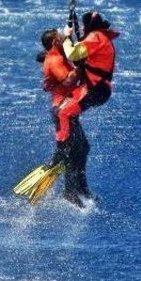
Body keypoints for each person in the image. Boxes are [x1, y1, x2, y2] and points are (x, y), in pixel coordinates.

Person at [37, 29, 92, 207]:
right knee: (72, 151)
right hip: (62, 110)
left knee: (82, 147)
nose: (63, 38)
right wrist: (82, 66)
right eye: (60, 37)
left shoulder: (59, 55)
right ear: (54, 42)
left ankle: (82, 188)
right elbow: (68, 81)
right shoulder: (55, 60)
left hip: (67, 108)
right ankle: (70, 192)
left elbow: (72, 48)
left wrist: (73, 33)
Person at [55, 10, 119, 146]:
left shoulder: (96, 37)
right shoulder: (100, 37)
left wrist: (66, 37)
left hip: (95, 89)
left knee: (63, 113)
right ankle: (79, 146)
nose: (83, 28)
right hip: (94, 87)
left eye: (84, 25)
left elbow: (72, 54)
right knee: (64, 111)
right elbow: (80, 60)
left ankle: (62, 151)